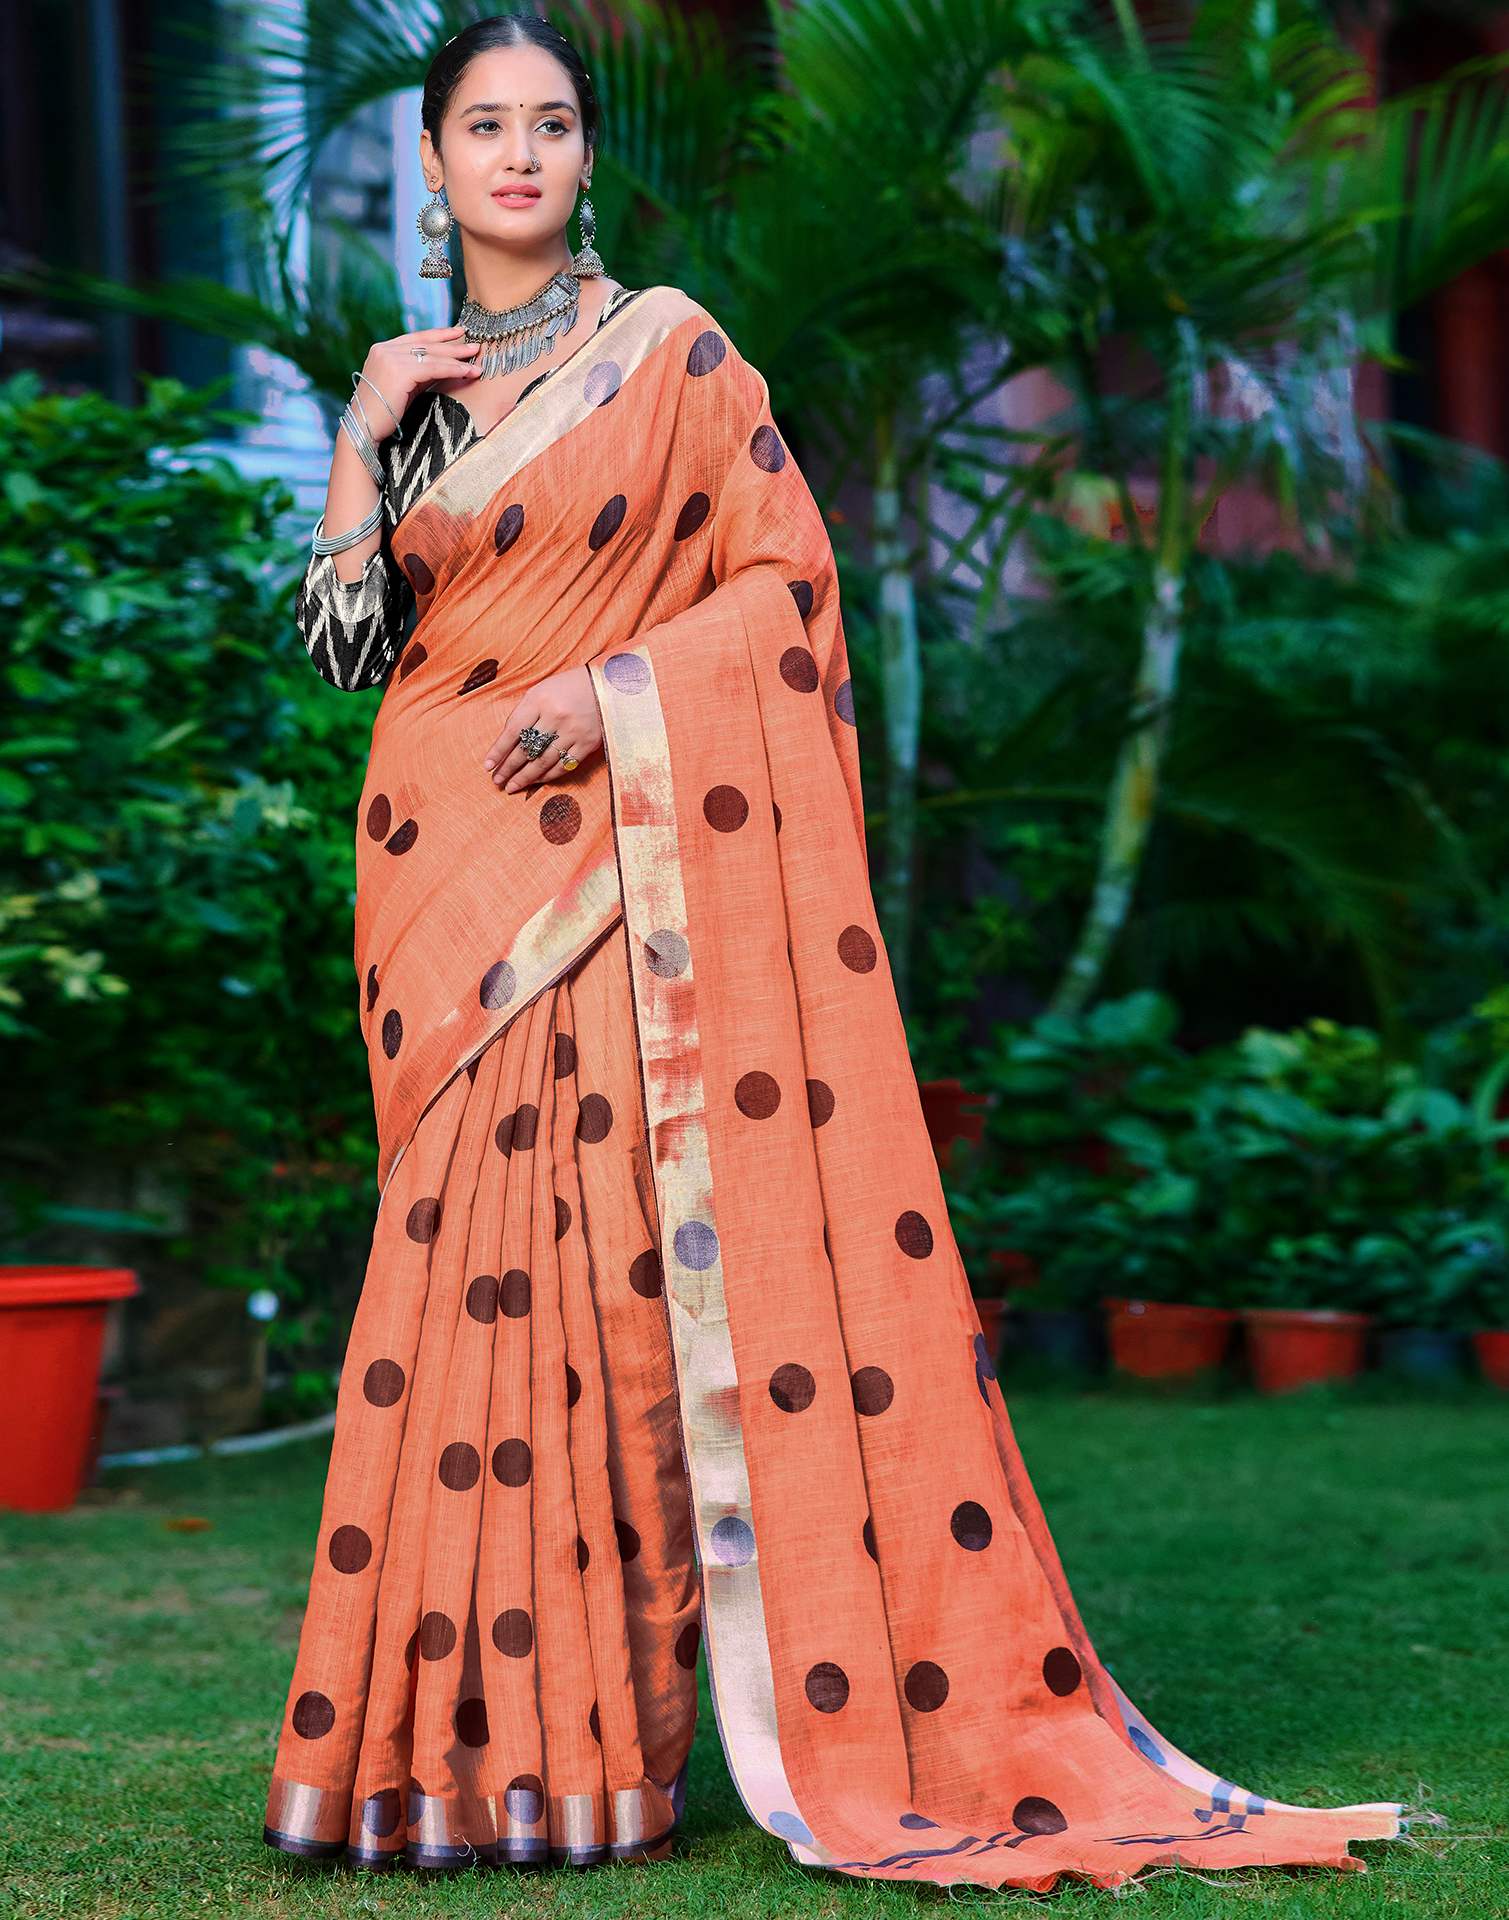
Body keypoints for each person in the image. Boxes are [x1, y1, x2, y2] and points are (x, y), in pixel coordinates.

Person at [262, 12, 1413, 1892]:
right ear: (435, 161)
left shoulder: (675, 354)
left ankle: (589, 1764)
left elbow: (786, 596)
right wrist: (361, 431)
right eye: (487, 126)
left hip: (612, 872)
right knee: (443, 1289)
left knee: (605, 1310)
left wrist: (620, 695)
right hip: (438, 870)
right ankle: (431, 1759)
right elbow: (344, 657)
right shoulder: (420, 389)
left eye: (553, 123)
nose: (523, 156)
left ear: (583, 153)